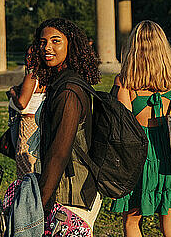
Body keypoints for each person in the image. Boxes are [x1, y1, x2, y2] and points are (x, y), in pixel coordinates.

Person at [111, 20, 171, 237]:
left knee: (132, 224)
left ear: (133, 48)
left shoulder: (125, 81)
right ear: (163, 48)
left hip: (139, 157)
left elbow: (124, 126)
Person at [32, 18, 103, 230]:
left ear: (70, 45)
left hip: (71, 194)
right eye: (43, 42)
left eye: (56, 41)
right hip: (65, 188)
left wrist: (41, 203)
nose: (47, 48)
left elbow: (59, 153)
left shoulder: (69, 90)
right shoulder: (62, 82)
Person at [7, 46, 46, 178]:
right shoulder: (46, 76)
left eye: (32, 56)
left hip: (28, 122)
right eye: (27, 55)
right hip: (40, 121)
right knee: (35, 160)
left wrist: (13, 93)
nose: (28, 59)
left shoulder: (32, 77)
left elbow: (22, 104)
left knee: (24, 160)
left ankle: (26, 193)